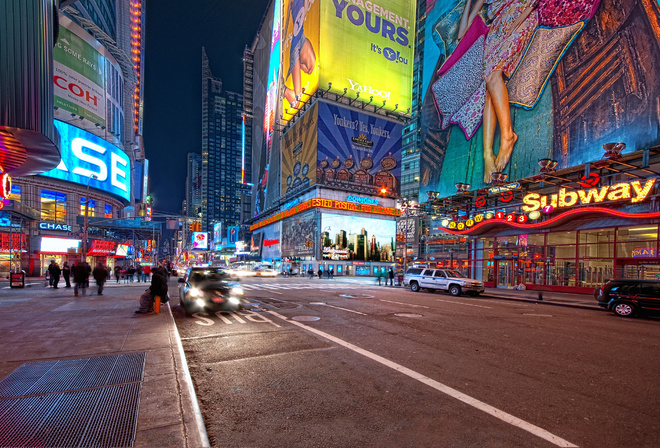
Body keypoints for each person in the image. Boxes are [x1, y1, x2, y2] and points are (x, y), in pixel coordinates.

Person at [281, 0, 317, 110]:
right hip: (295, 46)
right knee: (298, 98)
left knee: (310, 68)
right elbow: (286, 23)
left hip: (301, 37)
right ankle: (284, 90)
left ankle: (284, 89)